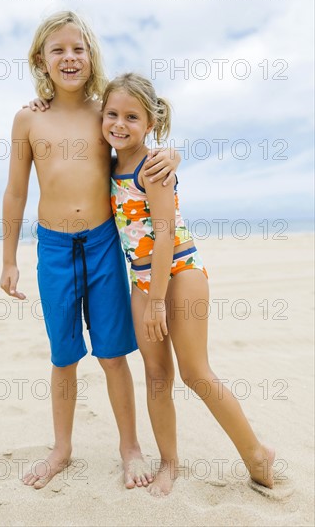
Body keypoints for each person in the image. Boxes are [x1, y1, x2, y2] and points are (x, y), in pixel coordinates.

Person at [0, 11, 180, 490]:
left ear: (91, 55)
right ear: (41, 59)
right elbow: (16, 192)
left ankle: (130, 447)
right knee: (63, 357)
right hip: (54, 249)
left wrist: (173, 152)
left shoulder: (105, 112)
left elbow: (138, 138)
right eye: (57, 49)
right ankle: (62, 448)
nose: (69, 57)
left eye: (77, 48)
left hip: (103, 244)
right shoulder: (27, 118)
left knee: (113, 354)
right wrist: (8, 259)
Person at [101, 72, 276, 497]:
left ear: (151, 124)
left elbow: (163, 234)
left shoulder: (154, 167)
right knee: (157, 375)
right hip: (143, 284)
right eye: (112, 114)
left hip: (179, 276)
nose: (120, 124)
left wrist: (159, 300)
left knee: (196, 372)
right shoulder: (108, 165)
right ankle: (169, 462)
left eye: (132, 117)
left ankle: (256, 454)